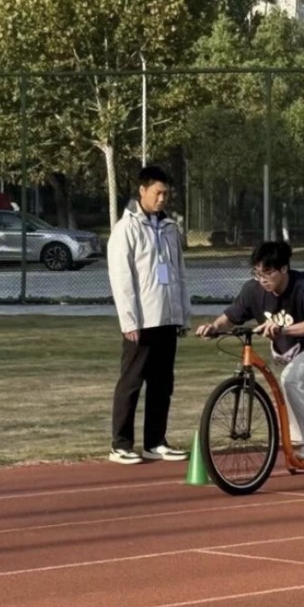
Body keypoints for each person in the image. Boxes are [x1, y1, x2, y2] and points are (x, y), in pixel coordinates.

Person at [196, 240, 304, 463]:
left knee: (292, 380)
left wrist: (282, 329)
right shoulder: (252, 290)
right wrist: (214, 327)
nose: (262, 279)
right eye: (257, 273)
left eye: (268, 272)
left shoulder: (302, 284)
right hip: (296, 350)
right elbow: (229, 318)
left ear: (284, 268)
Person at [107, 165, 192, 464]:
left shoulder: (170, 228)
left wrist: (182, 315)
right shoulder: (125, 229)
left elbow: (179, 273)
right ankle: (120, 444)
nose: (162, 198)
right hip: (142, 321)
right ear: (142, 191)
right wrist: (129, 320)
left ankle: (155, 442)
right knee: (131, 382)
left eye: (166, 193)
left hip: (167, 319)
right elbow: (122, 278)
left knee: (162, 384)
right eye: (157, 193)